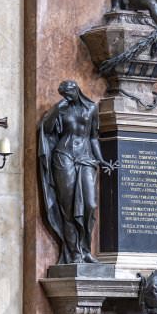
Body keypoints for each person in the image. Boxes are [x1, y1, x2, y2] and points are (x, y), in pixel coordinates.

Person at [38, 81, 116, 264]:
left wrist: (101, 159)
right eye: (63, 93)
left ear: (77, 90)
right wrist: (57, 108)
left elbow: (94, 137)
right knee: (68, 208)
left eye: (68, 92)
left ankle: (86, 249)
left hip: (86, 157)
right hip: (63, 157)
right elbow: (47, 129)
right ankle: (74, 252)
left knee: (89, 205)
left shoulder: (91, 108)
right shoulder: (61, 110)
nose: (66, 95)